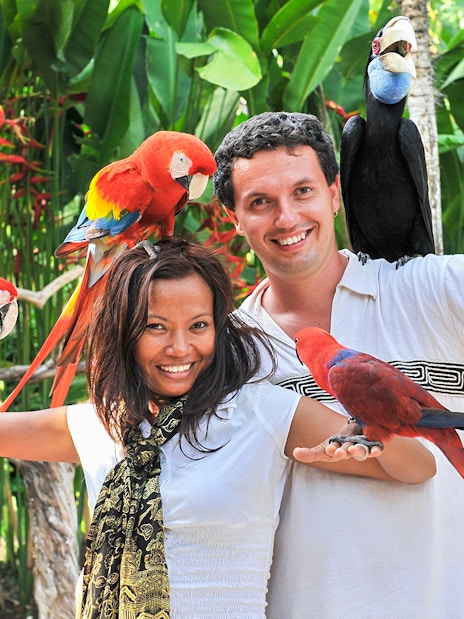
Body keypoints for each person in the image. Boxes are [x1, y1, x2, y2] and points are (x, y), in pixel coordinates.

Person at [0, 238, 434, 619]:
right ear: (124, 332)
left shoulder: (259, 412)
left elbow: (418, 467)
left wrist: (365, 442)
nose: (180, 348)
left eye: (198, 326)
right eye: (156, 327)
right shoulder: (100, 422)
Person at [213, 111, 464, 619]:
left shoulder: (432, 289)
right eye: (260, 202)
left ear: (334, 193)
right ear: (234, 219)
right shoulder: (224, 352)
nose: (286, 218)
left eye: (302, 191)